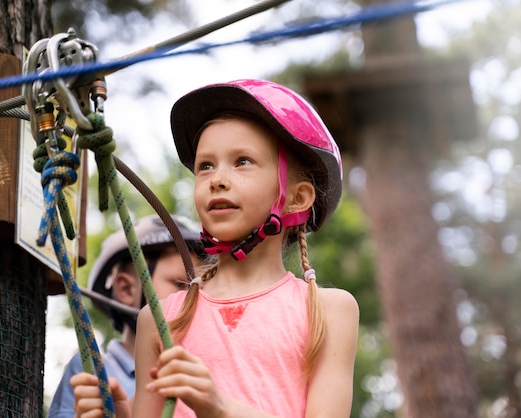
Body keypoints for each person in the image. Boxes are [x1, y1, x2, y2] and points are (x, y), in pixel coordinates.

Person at [71, 79, 359, 418]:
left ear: (297, 197)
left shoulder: (328, 310)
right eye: (205, 165)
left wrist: (219, 408)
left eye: (242, 162)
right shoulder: (159, 318)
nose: (217, 178)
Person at [48, 214, 203, 418]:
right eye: (181, 284)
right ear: (126, 289)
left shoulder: (201, 372)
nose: (196, 299)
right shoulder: (93, 372)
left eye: (203, 290)